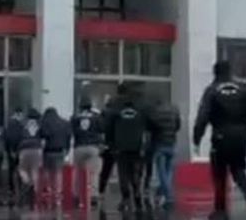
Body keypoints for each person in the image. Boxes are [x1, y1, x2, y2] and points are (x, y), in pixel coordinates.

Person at [193, 61, 246, 217]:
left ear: (215, 73)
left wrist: (197, 138)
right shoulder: (243, 89)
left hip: (220, 136)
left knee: (219, 173)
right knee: (238, 169)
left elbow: (203, 116)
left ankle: (220, 210)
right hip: (241, 137)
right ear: (230, 71)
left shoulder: (212, 90)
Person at [104, 83, 149, 211]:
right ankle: (137, 194)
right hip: (136, 147)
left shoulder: (117, 112)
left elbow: (109, 128)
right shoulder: (140, 113)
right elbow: (146, 129)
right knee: (135, 172)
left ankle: (126, 198)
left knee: (123, 173)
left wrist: (110, 143)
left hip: (121, 147)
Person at [147, 99, 182, 208]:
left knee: (162, 173)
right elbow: (178, 126)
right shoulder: (174, 111)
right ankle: (161, 192)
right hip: (171, 143)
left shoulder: (155, 113)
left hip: (160, 145)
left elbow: (151, 129)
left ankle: (169, 197)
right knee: (168, 172)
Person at [70, 98, 103, 205]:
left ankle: (76, 196)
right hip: (93, 147)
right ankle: (93, 196)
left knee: (77, 173)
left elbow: (72, 131)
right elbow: (102, 130)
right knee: (93, 173)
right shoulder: (96, 118)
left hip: (79, 147)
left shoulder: (75, 118)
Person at [39, 107, 71, 203]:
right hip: (60, 151)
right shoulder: (64, 123)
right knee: (58, 173)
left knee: (47, 172)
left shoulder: (44, 122)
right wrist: (67, 149)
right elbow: (68, 137)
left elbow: (43, 136)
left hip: (47, 151)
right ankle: (57, 194)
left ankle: (48, 191)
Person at [16, 108, 44, 201]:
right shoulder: (40, 124)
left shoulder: (22, 124)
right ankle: (34, 190)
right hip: (37, 149)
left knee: (22, 169)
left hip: (24, 149)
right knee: (35, 170)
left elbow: (17, 136)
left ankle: (27, 182)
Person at [3, 107, 26, 198]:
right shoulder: (18, 125)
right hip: (18, 149)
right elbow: (15, 138)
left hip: (11, 150)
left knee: (12, 170)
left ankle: (12, 188)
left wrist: (8, 150)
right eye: (22, 115)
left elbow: (6, 138)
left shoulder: (9, 124)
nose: (22, 117)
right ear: (18, 114)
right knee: (19, 169)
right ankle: (19, 187)